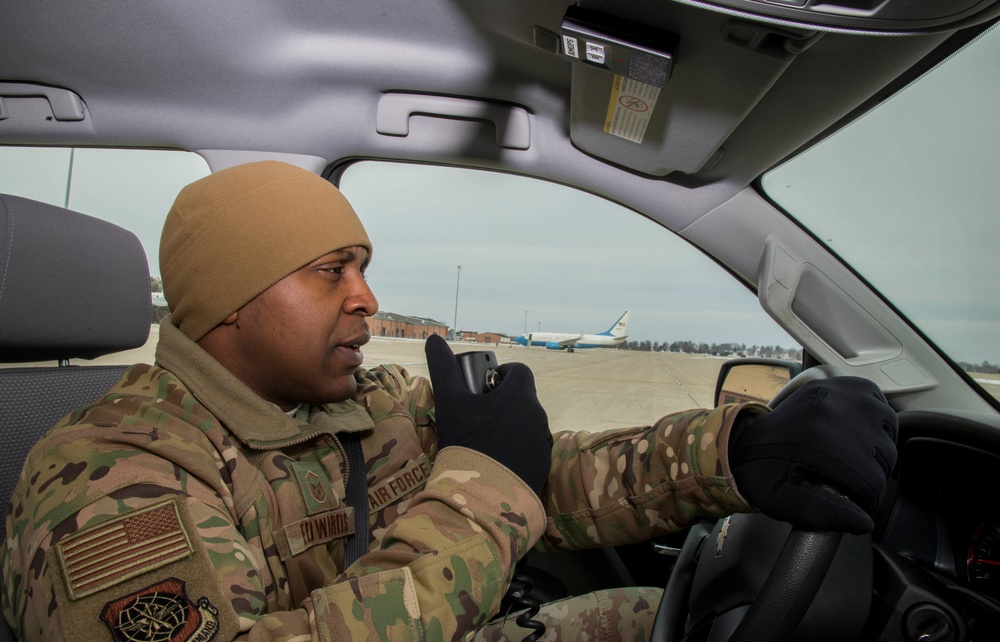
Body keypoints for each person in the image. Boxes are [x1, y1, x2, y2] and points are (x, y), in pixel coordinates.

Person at [1, 161, 897, 642]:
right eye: (331, 272)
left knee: (663, 616)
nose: (366, 299)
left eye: (363, 268)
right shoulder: (110, 478)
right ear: (234, 300)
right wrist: (480, 495)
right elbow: (494, 488)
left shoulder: (368, 403)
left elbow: (546, 472)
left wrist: (735, 454)